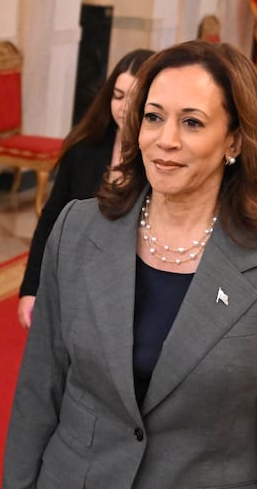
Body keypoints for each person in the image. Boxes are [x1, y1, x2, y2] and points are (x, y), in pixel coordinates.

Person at [0, 41, 257, 489]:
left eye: (192, 123)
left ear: (234, 140)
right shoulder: (78, 230)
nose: (165, 140)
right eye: (154, 117)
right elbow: (37, 403)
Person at [16, 48, 154, 328]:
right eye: (118, 96)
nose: (124, 107)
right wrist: (32, 286)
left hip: (136, 293)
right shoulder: (84, 148)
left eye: (135, 98)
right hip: (77, 283)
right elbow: (52, 219)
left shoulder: (163, 159)